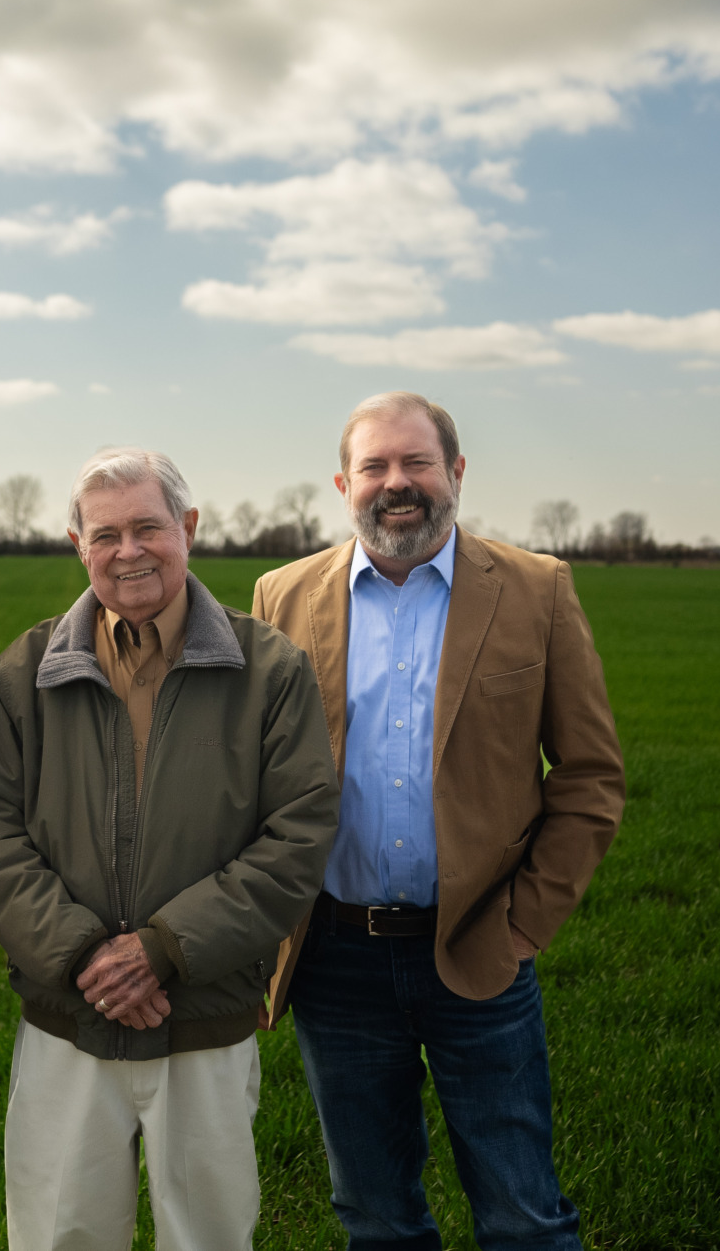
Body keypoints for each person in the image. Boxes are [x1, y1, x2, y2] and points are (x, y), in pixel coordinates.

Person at [252, 391, 624, 1251]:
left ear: (455, 473)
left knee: (523, 1213)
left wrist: (522, 925)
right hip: (334, 961)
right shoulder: (283, 594)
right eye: (375, 466)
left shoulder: (537, 590)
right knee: (375, 1216)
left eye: (417, 463)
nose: (397, 484)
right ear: (343, 482)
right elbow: (254, 779)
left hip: (479, 948)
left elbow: (591, 775)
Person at [0, 447, 339, 1251]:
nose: (128, 551)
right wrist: (86, 953)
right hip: (67, 1017)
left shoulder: (269, 670)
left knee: (208, 1238)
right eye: (106, 534)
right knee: (63, 1235)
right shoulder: (29, 673)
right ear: (77, 545)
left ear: (188, 529)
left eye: (148, 528)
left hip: (205, 1019)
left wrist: (163, 950)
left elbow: (299, 835)